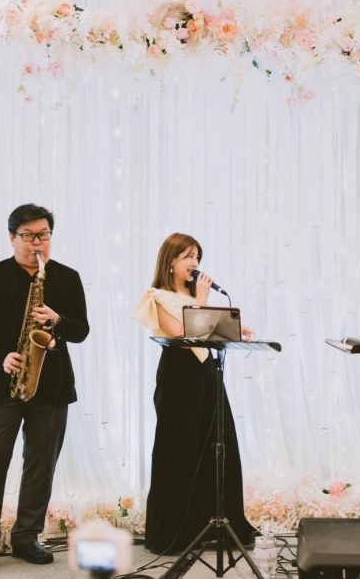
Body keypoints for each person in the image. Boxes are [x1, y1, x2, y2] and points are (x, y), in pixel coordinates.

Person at [0, 204, 90, 573]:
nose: (36, 243)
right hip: (0, 384)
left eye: (43, 235)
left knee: (40, 465)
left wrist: (57, 320)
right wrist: (0, 358)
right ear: (11, 237)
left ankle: (26, 536)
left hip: (52, 385)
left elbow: (81, 330)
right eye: (28, 236)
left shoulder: (67, 277)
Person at [132, 233, 257, 554]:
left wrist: (236, 330)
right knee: (179, 447)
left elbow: (210, 330)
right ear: (170, 262)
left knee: (218, 443)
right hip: (179, 376)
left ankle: (215, 524)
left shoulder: (192, 296)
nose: (194, 263)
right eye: (187, 256)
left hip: (207, 375)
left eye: (197, 257)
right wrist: (201, 300)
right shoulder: (157, 296)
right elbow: (182, 333)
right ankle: (175, 531)